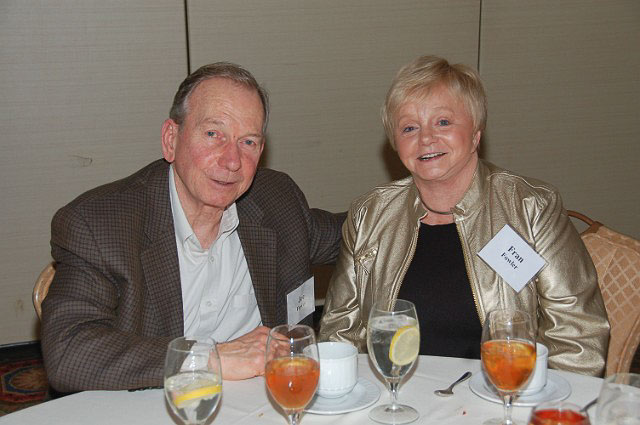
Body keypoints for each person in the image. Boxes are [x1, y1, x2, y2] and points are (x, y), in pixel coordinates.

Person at [41, 62, 345, 392]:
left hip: (267, 404)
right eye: (213, 134)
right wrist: (210, 358)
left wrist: (399, 192)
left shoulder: (277, 201)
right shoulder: (100, 225)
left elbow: (359, 232)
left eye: (248, 142)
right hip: (158, 406)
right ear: (171, 139)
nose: (232, 161)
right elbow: (69, 352)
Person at [318, 55, 609, 376]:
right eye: (409, 127)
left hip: (505, 392)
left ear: (476, 133)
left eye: (443, 122)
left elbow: (577, 335)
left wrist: (537, 401)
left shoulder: (531, 207)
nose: (425, 138)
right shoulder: (369, 215)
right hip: (396, 392)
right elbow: (339, 332)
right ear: (395, 144)